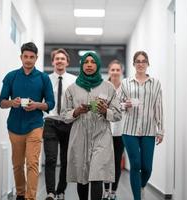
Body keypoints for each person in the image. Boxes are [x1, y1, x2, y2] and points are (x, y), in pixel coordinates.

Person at [61, 52, 122, 200]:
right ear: (82, 65)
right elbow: (64, 115)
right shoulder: (72, 89)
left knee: (97, 175)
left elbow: (118, 114)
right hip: (79, 136)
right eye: (86, 62)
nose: (89, 64)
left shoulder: (108, 88)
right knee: (82, 177)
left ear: (97, 65)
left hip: (101, 136)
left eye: (92, 62)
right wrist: (76, 111)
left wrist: (104, 110)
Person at [0, 42, 55, 200]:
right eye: (26, 56)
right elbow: (2, 101)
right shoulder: (11, 76)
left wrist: (36, 105)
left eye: (32, 57)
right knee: (17, 165)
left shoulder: (43, 78)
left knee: (32, 163)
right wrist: (12, 103)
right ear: (21, 57)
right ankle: (20, 194)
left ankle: (31, 197)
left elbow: (51, 103)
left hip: (35, 126)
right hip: (14, 127)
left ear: (36, 58)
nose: (28, 60)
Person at [120, 51, 164, 200]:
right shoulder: (126, 82)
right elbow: (118, 104)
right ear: (133, 64)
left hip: (149, 130)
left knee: (147, 167)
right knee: (136, 164)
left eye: (143, 61)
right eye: (137, 61)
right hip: (129, 130)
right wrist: (124, 105)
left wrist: (161, 129)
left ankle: (141, 185)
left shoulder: (155, 83)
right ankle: (137, 198)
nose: (140, 64)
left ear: (147, 64)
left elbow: (158, 107)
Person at [43, 49, 77, 200]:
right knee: (50, 159)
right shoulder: (45, 79)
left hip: (68, 123)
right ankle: (50, 192)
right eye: (57, 58)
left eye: (62, 59)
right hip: (50, 121)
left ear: (67, 62)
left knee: (65, 160)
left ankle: (61, 190)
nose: (60, 61)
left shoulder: (75, 80)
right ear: (52, 62)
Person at [102, 60, 125, 200]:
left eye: (118, 70)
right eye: (113, 70)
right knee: (105, 161)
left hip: (121, 131)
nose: (115, 72)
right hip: (105, 129)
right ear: (109, 71)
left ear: (121, 72)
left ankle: (113, 191)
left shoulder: (126, 88)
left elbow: (129, 104)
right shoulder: (104, 87)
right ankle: (105, 190)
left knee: (117, 162)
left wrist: (121, 105)